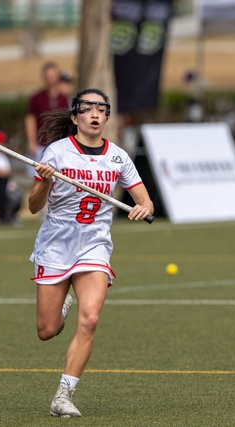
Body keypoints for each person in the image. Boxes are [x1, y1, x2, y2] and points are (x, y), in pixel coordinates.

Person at [29, 88, 154, 418]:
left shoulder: (118, 157)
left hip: (94, 245)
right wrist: (45, 182)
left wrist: (143, 208)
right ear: (75, 117)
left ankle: (63, 395)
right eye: (88, 108)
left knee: (91, 319)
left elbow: (145, 201)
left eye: (102, 109)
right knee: (46, 330)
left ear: (107, 117)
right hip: (56, 244)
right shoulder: (56, 152)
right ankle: (62, 307)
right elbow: (33, 206)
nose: (96, 114)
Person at [24, 62, 70, 178]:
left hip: (59, 144)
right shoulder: (36, 98)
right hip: (41, 144)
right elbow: (30, 120)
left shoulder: (63, 98)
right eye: (48, 76)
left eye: (53, 76)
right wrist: (32, 142)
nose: (50, 79)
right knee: (39, 176)